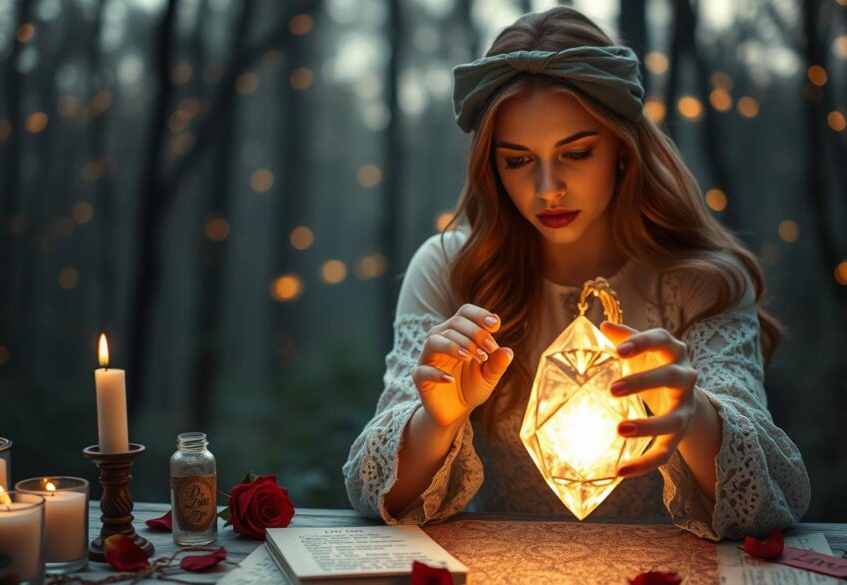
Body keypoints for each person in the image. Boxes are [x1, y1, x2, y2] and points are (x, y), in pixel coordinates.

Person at [343, 6, 810, 540]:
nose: (547, 188)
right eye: (518, 160)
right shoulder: (452, 271)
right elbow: (368, 491)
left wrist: (696, 417)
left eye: (577, 152)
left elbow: (775, 501)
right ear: (491, 167)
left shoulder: (702, 282)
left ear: (622, 148)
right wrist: (437, 421)